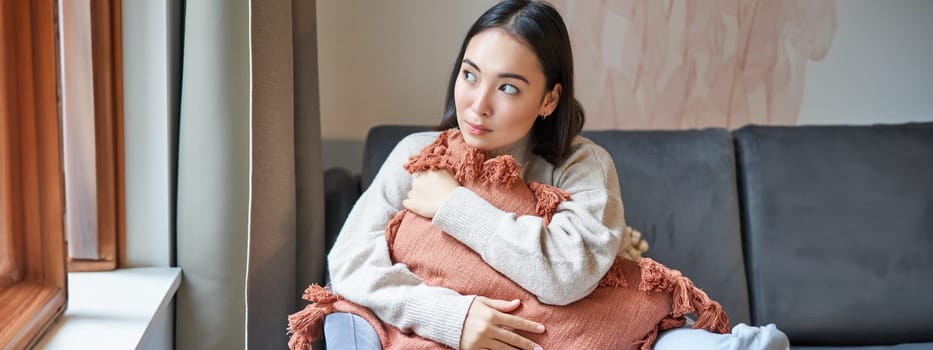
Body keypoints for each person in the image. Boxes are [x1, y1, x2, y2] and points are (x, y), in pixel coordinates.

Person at [325, 1, 789, 349]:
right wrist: (452, 315)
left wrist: (453, 206)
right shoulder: (416, 155)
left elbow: (568, 276)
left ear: (549, 99)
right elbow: (348, 263)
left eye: (508, 87)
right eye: (469, 75)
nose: (478, 103)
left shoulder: (582, 166)